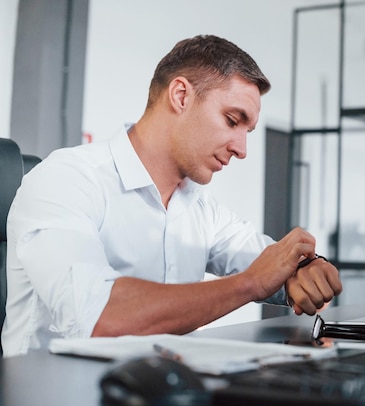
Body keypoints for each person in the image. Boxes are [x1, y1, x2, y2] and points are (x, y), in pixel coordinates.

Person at [1, 34, 342, 357]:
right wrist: (251, 282)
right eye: (232, 120)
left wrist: (309, 271)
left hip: (160, 394)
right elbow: (103, 318)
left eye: (248, 131)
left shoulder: (201, 209)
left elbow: (278, 267)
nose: (242, 149)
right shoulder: (66, 179)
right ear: (181, 96)